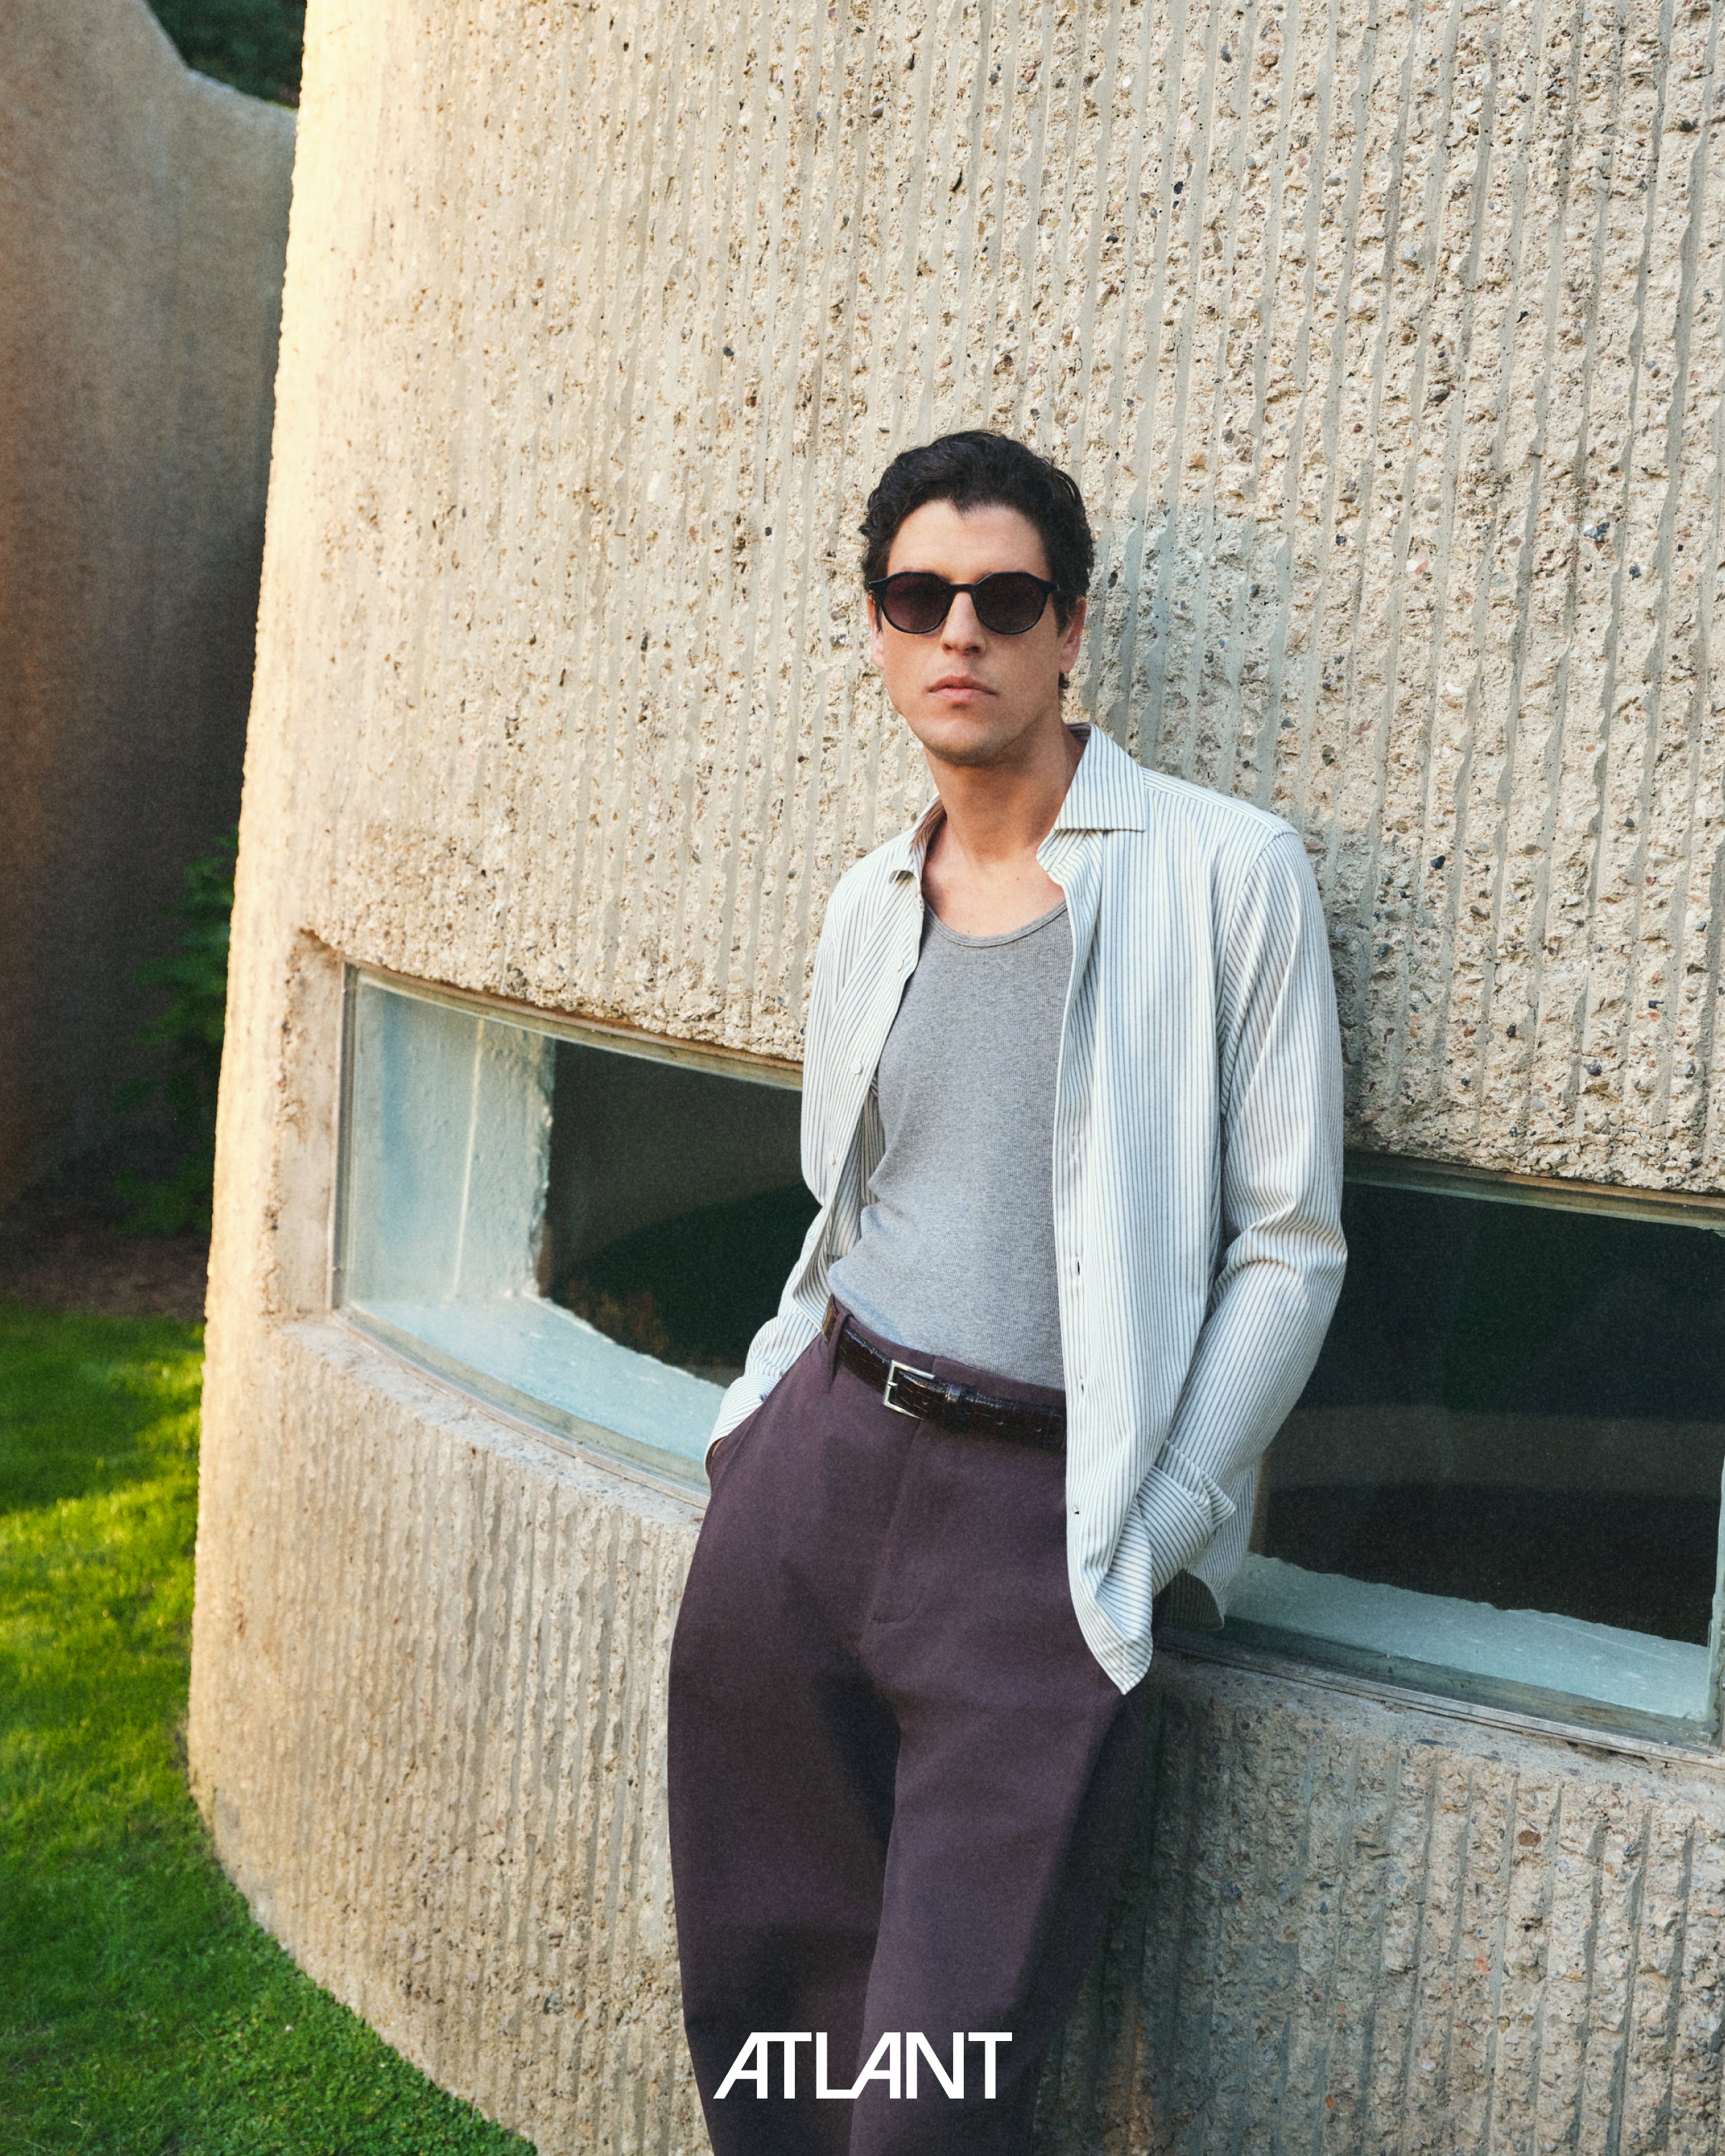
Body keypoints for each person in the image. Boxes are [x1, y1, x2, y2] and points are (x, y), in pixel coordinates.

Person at [666, 430, 1346, 2155]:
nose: (959, 630)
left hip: (1045, 1530)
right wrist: (750, 1441)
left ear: (1071, 629)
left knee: (938, 2087)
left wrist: (1151, 1525)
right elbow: (848, 1206)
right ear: (879, 631)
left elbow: (1289, 1244)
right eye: (918, 597)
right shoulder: (868, 899)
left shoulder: (1226, 874)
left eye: (1005, 598)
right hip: (816, 1480)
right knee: (768, 2021)